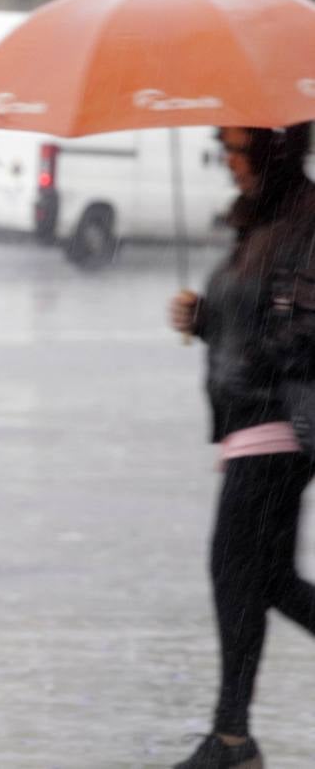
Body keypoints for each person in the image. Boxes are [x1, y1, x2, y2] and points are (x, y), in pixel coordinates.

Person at [167, 122, 315, 769]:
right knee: (266, 577)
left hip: (278, 420)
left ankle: (232, 738)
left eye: (237, 145)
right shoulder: (258, 224)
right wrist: (203, 319)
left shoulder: (306, 220)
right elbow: (255, 315)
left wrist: (244, 329)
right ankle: (233, 738)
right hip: (248, 420)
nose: (228, 160)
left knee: (235, 571)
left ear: (271, 148)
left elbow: (297, 327)